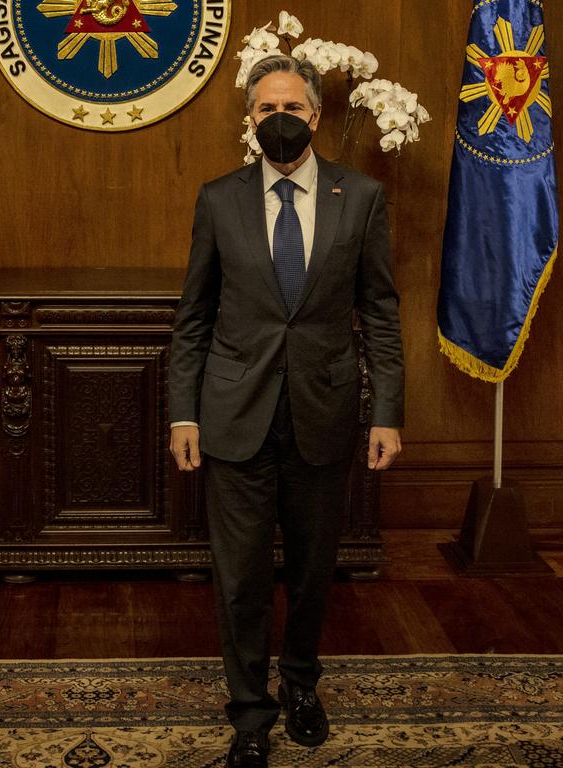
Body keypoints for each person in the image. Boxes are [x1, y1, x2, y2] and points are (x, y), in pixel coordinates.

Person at [169, 55, 404, 767]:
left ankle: (302, 684)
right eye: (265, 107)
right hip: (233, 416)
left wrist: (387, 412)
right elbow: (194, 318)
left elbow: (381, 313)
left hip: (323, 413)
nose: (278, 118)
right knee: (239, 579)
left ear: (315, 115)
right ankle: (249, 713)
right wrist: (184, 414)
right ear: (249, 118)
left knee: (309, 572)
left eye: (292, 107)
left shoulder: (358, 196)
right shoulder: (218, 199)